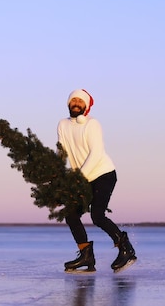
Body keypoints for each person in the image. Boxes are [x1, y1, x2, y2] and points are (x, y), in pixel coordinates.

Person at [57, 89, 137, 273]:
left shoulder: (92, 124)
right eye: (73, 100)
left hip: (103, 174)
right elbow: (61, 151)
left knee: (97, 216)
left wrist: (78, 179)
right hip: (83, 178)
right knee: (71, 215)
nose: (76, 103)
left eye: (80, 101)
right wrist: (56, 173)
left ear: (85, 106)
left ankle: (126, 248)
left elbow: (96, 154)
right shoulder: (62, 125)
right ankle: (86, 256)